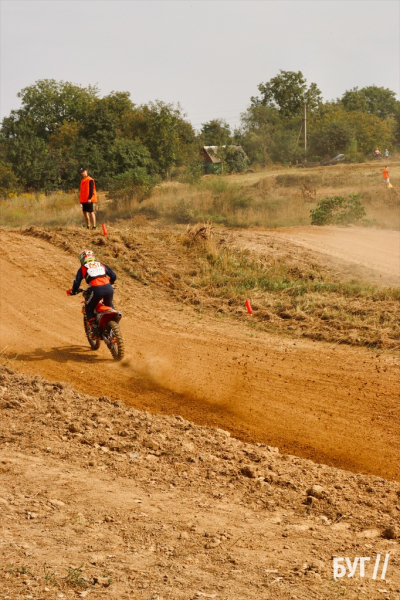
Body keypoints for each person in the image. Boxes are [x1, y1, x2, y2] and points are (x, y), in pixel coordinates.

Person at [70, 249, 117, 338]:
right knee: (110, 305)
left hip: (96, 289)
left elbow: (76, 282)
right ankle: (115, 322)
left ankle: (95, 329)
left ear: (82, 260)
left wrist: (74, 291)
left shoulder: (83, 268)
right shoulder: (101, 264)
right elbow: (113, 276)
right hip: (109, 288)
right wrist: (110, 282)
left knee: (88, 307)